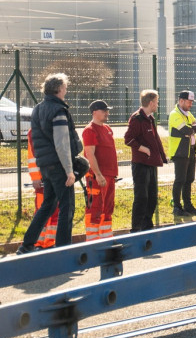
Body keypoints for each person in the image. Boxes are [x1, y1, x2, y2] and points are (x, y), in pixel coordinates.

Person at [15, 73, 83, 253]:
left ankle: (27, 244)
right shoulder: (58, 110)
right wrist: (69, 170)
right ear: (59, 89)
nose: (66, 91)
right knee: (67, 207)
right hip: (59, 165)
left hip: (45, 165)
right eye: (65, 88)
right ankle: (63, 249)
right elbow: (61, 143)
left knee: (49, 204)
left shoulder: (38, 108)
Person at [125, 89, 167, 232]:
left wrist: (161, 155)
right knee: (141, 197)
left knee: (152, 197)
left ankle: (147, 226)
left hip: (152, 163)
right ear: (150, 103)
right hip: (141, 164)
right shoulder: (137, 118)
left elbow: (155, 139)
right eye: (156, 102)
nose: (157, 104)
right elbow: (128, 139)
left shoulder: (150, 118)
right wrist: (144, 149)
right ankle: (136, 229)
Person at [81, 100, 120, 240]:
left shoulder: (108, 128)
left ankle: (105, 238)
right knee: (95, 207)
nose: (107, 113)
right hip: (97, 177)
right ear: (94, 112)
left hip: (110, 175)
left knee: (107, 208)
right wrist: (98, 174)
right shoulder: (89, 130)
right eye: (104, 111)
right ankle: (92, 240)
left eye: (107, 110)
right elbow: (90, 154)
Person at [167, 90, 196, 218]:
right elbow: (186, 130)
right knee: (180, 180)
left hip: (190, 150)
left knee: (189, 179)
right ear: (181, 101)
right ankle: (177, 207)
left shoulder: (187, 114)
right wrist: (194, 128)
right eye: (189, 102)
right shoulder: (174, 114)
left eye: (192, 102)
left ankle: (188, 205)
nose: (191, 104)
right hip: (180, 151)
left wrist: (194, 128)